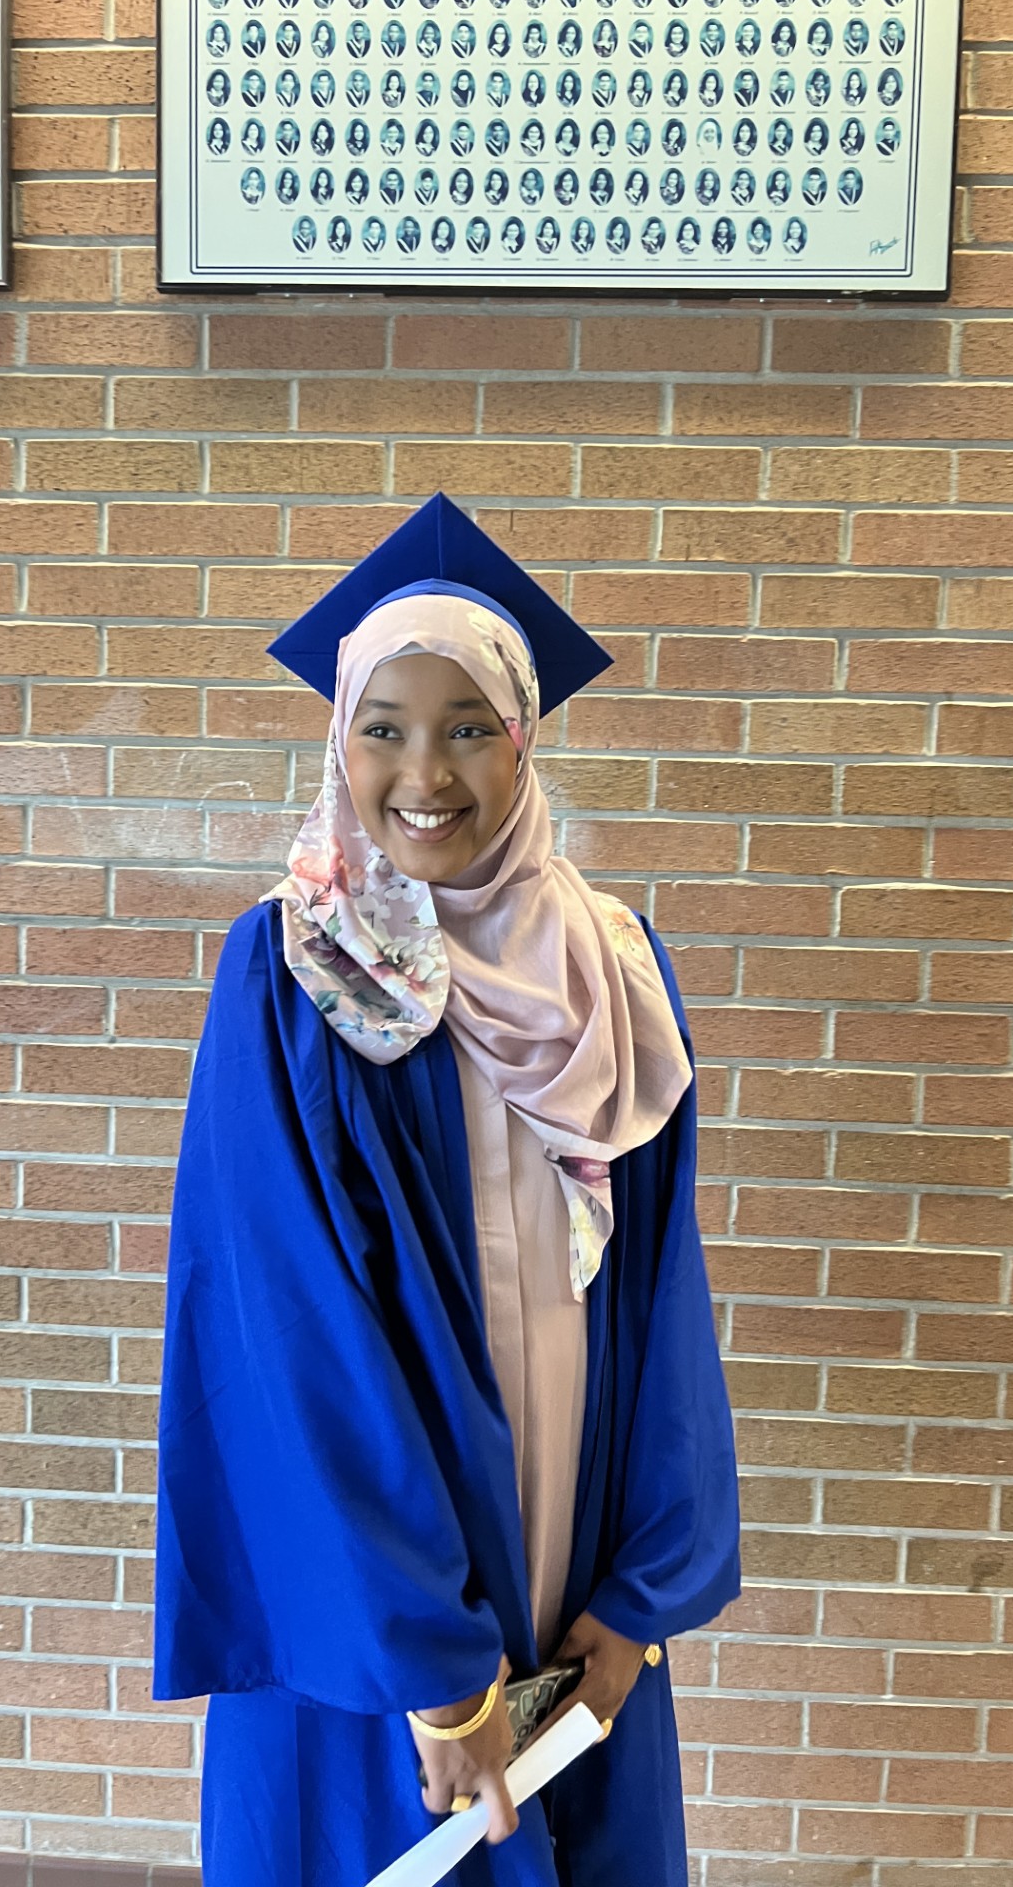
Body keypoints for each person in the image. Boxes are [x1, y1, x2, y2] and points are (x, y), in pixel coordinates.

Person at [154, 496, 740, 1887]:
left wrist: (639, 1600)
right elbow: (290, 1341)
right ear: (338, 739)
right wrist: (433, 1669)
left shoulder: (610, 963)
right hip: (380, 1576)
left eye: (470, 725)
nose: (426, 773)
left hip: (575, 1532)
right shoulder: (296, 974)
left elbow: (662, 1291)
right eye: (383, 727)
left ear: (526, 739)